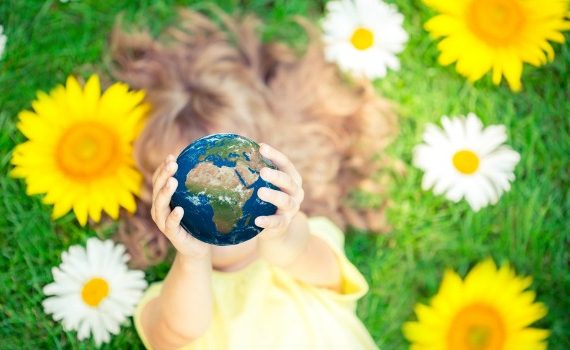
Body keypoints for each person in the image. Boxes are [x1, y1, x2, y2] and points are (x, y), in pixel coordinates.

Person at [110, 8, 397, 350]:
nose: (221, 193)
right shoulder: (181, 289)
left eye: (236, 174)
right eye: (194, 186)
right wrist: (192, 258)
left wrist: (279, 231)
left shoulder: (304, 244)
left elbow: (304, 256)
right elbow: (175, 332)